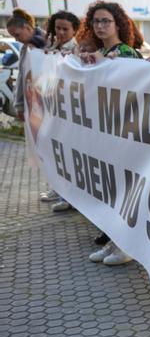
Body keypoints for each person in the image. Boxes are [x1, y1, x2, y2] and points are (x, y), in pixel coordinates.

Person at [77, 1, 141, 266]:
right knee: (111, 190)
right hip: (106, 131)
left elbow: (136, 89)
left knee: (123, 191)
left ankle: (125, 245)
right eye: (96, 22)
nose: (100, 26)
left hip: (124, 131)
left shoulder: (126, 53)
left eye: (106, 21)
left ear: (118, 24)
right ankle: (115, 240)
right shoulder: (100, 53)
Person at [38, 11, 82, 210]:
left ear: (74, 30)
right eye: (58, 28)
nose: (61, 32)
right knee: (57, 153)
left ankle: (69, 196)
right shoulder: (53, 48)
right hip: (53, 109)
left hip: (69, 111)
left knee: (69, 154)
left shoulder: (77, 50)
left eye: (66, 29)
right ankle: (58, 187)